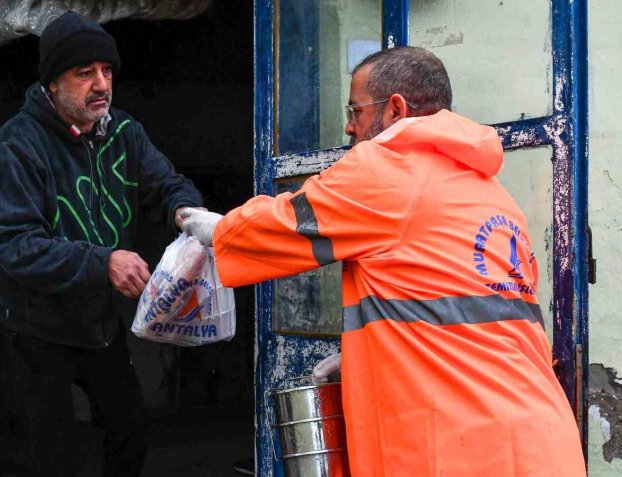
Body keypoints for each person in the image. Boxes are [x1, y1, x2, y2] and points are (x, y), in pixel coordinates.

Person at [181, 46, 586, 476]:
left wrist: (217, 228)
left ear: (395, 109)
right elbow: (467, 318)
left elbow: (285, 224)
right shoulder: (492, 196)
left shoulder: (390, 165)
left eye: (355, 109)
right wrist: (370, 351)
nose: (348, 126)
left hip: (464, 451)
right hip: (540, 443)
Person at [0, 11, 202, 476]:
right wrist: (104, 263)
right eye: (84, 73)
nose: (101, 84)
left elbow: (165, 183)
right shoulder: (17, 145)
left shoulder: (123, 133)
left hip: (96, 322)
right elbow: (16, 244)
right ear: (52, 83)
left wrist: (187, 213)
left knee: (129, 431)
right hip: (35, 325)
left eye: (106, 72)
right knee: (55, 453)